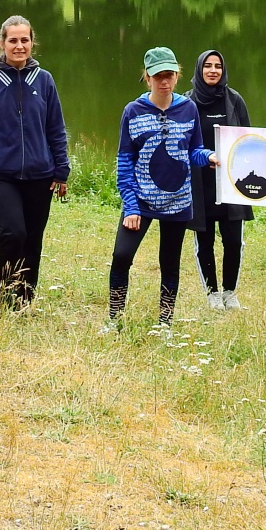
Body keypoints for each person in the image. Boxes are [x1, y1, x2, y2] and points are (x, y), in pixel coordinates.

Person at [106, 48, 217, 329]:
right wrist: (131, 206)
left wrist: (209, 157)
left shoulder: (188, 108)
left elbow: (194, 150)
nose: (163, 82)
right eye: (157, 76)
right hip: (141, 201)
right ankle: (114, 319)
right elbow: (124, 161)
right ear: (147, 77)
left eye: (168, 75)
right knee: (121, 257)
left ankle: (165, 324)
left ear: (177, 75)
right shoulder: (133, 111)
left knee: (170, 264)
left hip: (178, 202)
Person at [0, 16, 70, 309]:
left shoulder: (44, 80)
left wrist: (61, 171)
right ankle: (2, 296)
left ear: (32, 42)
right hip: (0, 175)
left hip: (40, 175)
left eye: (25, 40)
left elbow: (56, 129)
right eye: (13, 40)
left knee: (33, 240)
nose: (20, 46)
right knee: (13, 234)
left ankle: (24, 300)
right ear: (2, 43)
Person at [188, 49, 252, 310]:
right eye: (208, 66)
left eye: (218, 66)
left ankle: (229, 292)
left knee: (233, 240)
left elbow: (248, 138)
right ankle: (212, 293)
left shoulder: (234, 100)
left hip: (231, 181)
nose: (213, 70)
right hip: (200, 182)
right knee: (205, 240)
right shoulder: (187, 102)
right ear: (199, 70)